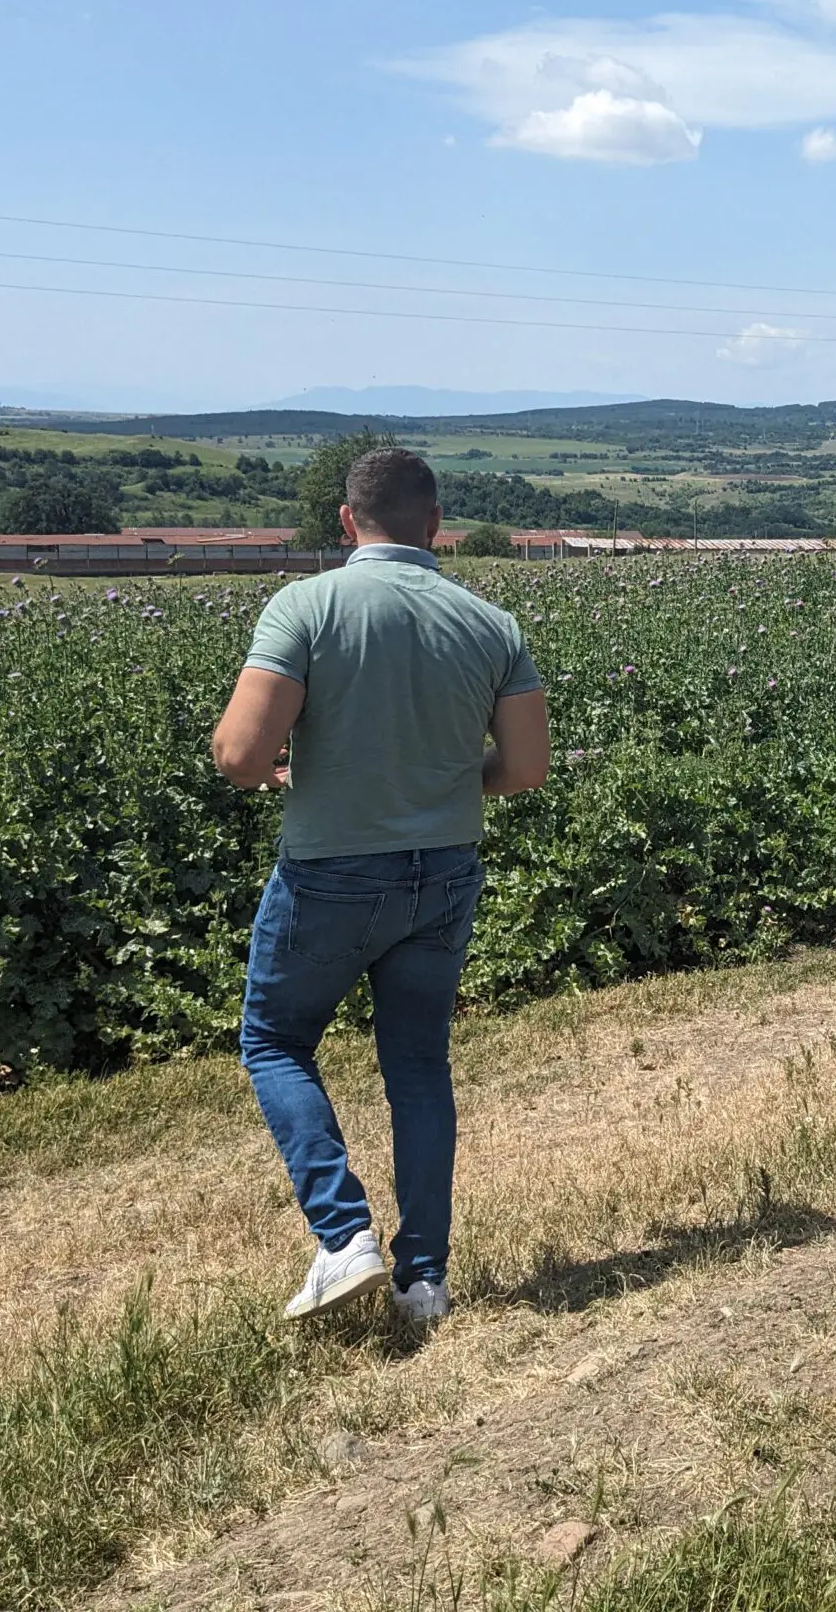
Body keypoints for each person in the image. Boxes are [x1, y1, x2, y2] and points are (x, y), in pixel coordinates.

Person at [210, 448, 550, 1324]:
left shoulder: (306, 607)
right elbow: (524, 770)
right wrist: (434, 782)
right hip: (444, 871)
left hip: (330, 870)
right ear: (437, 526)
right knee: (418, 1065)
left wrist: (296, 771)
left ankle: (343, 1236)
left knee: (276, 1042)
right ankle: (422, 1279)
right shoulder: (491, 623)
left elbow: (241, 759)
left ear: (347, 521)